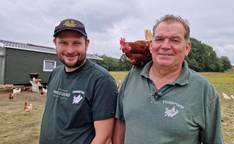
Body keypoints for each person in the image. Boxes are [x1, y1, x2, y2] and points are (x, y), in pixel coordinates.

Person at [113, 15, 224, 144]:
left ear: (187, 48)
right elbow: (120, 121)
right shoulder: (132, 77)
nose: (165, 46)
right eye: (159, 39)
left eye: (175, 40)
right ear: (151, 45)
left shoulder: (203, 89)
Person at [40, 18, 117, 144]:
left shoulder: (101, 80)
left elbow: (104, 138)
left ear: (87, 43)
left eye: (76, 43)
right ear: (55, 43)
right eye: (63, 43)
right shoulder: (55, 73)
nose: (70, 50)